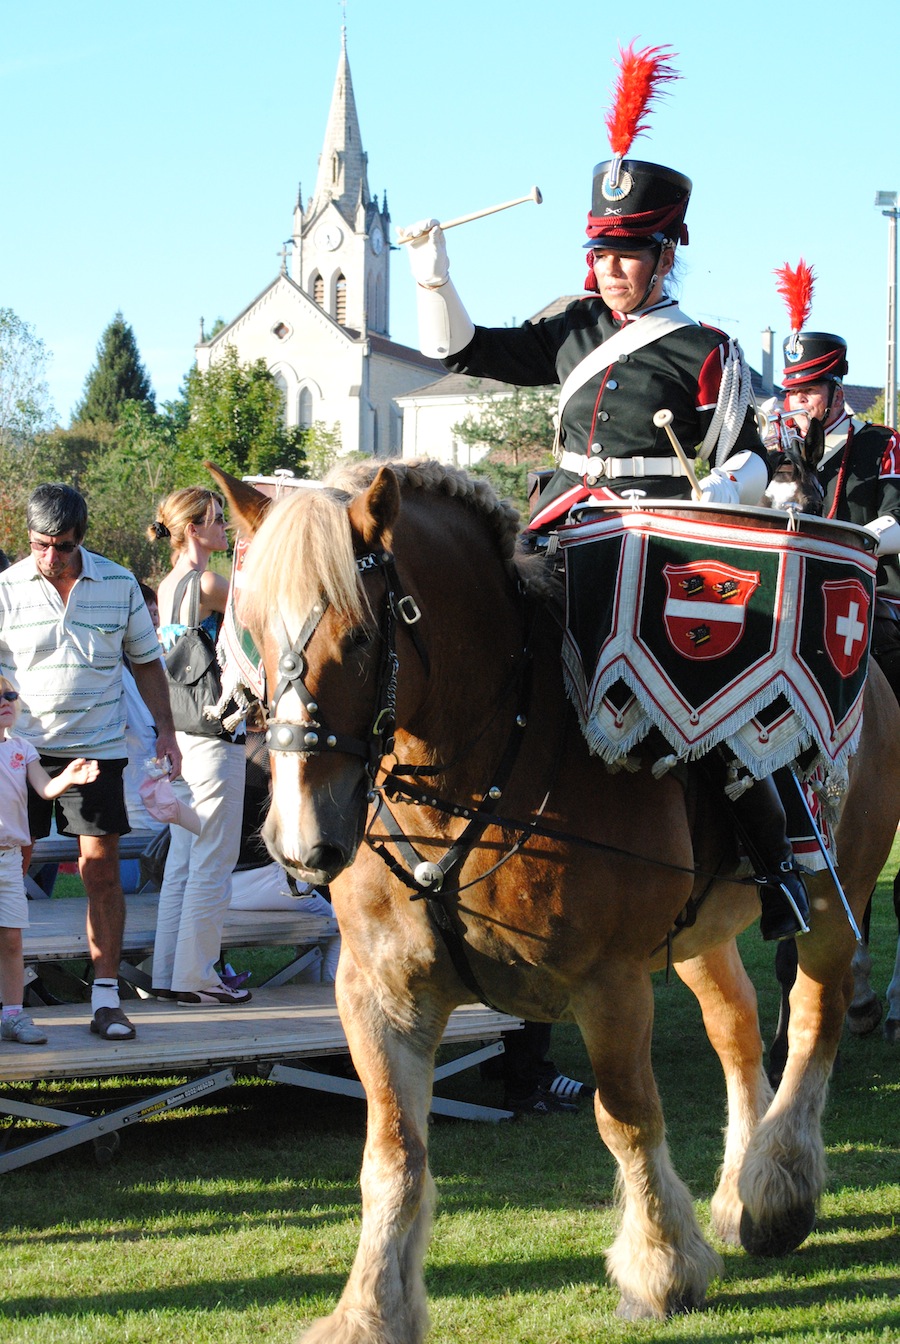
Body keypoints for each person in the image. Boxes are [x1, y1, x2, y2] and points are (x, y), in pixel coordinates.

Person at [402, 42, 808, 942]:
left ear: (665, 254)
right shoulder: (573, 326)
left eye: (629, 252)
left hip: (654, 534)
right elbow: (464, 350)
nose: (612, 267)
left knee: (713, 678)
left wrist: (737, 484)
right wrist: (435, 273)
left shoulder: (707, 351)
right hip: (557, 526)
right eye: (602, 250)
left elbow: (753, 460)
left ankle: (775, 860)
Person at [0, 483, 180, 1040]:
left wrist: (166, 732)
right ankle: (13, 995)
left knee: (100, 870)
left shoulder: (121, 583)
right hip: (21, 750)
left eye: (62, 545)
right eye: (38, 545)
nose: (50, 557)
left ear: (82, 537)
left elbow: (147, 664)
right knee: (13, 867)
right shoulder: (5, 588)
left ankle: (105, 998)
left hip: (97, 749)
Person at [148, 488, 249, 1005]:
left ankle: (170, 974)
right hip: (214, 736)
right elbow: (259, 613)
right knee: (212, 861)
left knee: (185, 863)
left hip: (183, 736)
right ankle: (199, 977)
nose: (225, 528)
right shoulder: (209, 583)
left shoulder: (168, 586)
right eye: (216, 520)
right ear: (192, 529)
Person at [778, 328, 900, 695]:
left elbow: (898, 517)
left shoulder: (881, 442)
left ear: (838, 394)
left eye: (810, 391)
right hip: (793, 592)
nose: (799, 402)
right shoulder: (775, 453)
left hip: (869, 595)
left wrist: (847, 546)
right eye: (792, 393)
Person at [0, 676, 100, 1044]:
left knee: (11, 941)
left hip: (9, 861)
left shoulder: (22, 749)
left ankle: (12, 1015)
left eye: (10, 695)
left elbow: (44, 789)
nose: (6, 701)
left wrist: (70, 777)